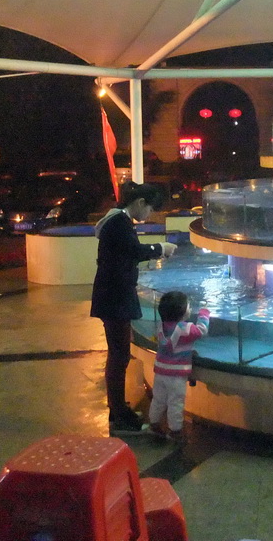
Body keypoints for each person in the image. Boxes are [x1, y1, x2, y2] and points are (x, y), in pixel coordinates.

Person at [91, 181, 178, 436]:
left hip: (114, 296)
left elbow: (125, 254)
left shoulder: (117, 221)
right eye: (150, 208)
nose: (149, 214)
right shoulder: (119, 223)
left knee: (119, 355)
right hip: (114, 299)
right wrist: (160, 249)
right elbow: (133, 250)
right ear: (140, 203)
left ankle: (118, 410)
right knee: (118, 357)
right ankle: (119, 415)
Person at [149, 291, 210, 446]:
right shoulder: (185, 328)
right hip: (176, 375)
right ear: (183, 311)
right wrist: (204, 312)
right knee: (176, 402)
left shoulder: (161, 326)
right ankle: (176, 431)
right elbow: (202, 330)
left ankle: (154, 424)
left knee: (158, 399)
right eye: (188, 305)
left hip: (160, 370)